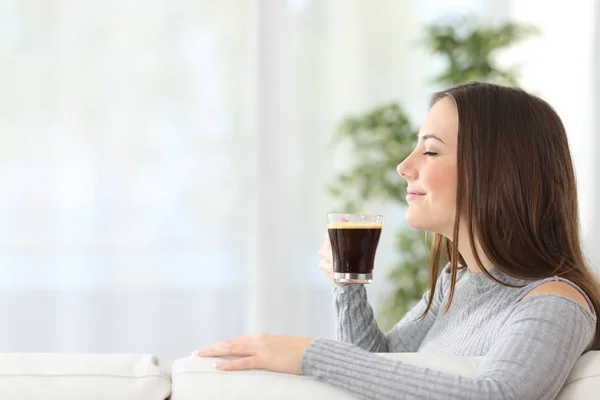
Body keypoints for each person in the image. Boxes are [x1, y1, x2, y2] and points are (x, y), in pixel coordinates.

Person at [192, 81, 600, 399]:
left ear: (497, 172)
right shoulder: (457, 285)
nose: (404, 166)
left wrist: (309, 356)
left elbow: (500, 394)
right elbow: (381, 369)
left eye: (431, 152)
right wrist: (348, 285)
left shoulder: (556, 303)